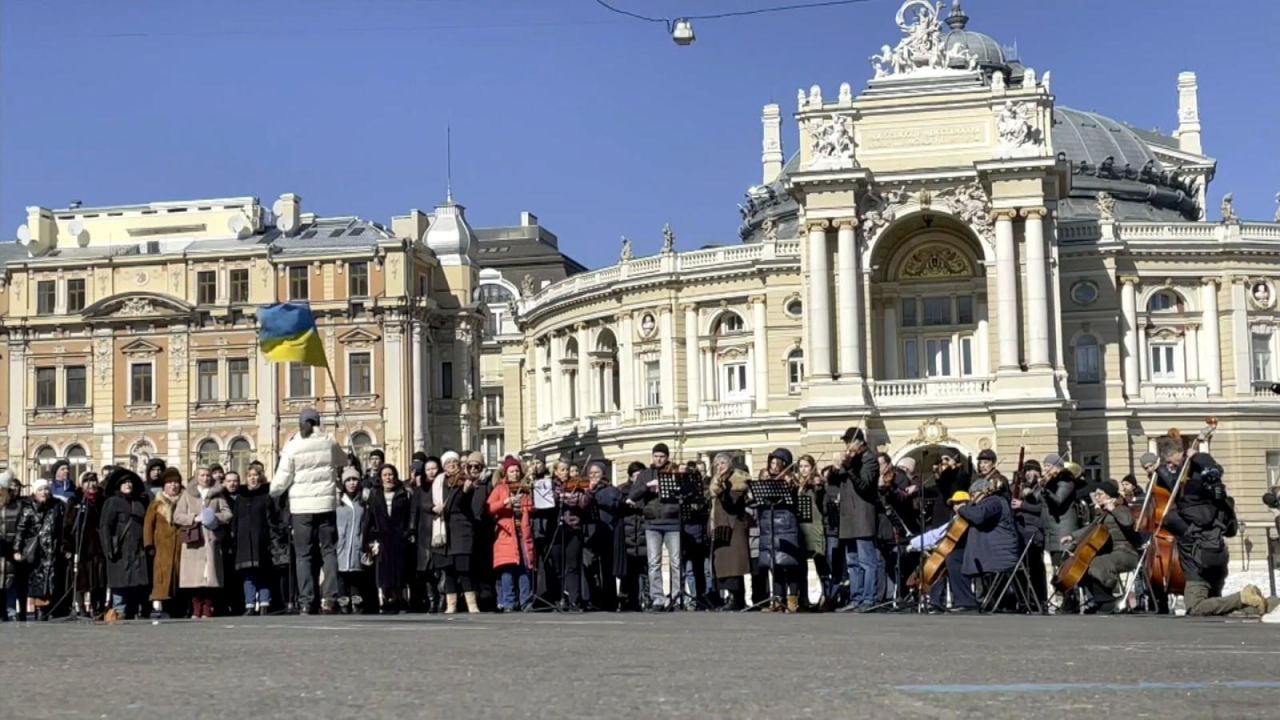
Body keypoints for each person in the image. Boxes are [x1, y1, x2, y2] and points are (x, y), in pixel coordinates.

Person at [1155, 438, 1269, 618]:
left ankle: (1243, 598)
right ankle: (1267, 604)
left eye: (1171, 461)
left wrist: (1163, 469)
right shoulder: (1219, 507)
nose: (1172, 466)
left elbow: (1176, 492)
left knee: (1195, 608)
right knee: (1216, 607)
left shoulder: (1185, 509)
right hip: (1218, 559)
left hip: (1198, 568)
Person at [271, 407, 346, 615]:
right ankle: (330, 598)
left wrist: (273, 491)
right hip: (326, 505)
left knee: (303, 555)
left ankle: (306, 600)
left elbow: (281, 481)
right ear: (318, 422)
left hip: (302, 508)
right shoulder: (329, 442)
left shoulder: (293, 446)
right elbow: (343, 460)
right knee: (329, 551)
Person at [1059, 480, 1140, 614]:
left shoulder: (1122, 508)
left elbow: (1127, 522)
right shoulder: (1102, 513)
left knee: (1097, 563)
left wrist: (1113, 509)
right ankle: (1103, 601)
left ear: (1109, 496)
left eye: (1100, 494)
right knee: (1082, 567)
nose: (1096, 497)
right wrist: (1072, 536)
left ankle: (1107, 602)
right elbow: (1091, 529)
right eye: (1096, 494)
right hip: (1109, 552)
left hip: (1125, 551)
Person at [948, 474, 1021, 613]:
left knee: (955, 559)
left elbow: (979, 517)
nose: (972, 499)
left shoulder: (994, 501)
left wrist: (962, 509)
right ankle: (964, 600)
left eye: (973, 494)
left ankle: (966, 602)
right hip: (988, 551)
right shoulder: (988, 503)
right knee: (954, 557)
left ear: (980, 493)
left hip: (998, 554)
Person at [829, 427, 882, 612]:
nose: (847, 446)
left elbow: (865, 486)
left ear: (860, 442)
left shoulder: (870, 460)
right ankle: (856, 597)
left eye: (850, 442)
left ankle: (869, 598)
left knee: (867, 561)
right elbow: (834, 482)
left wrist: (850, 467)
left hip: (862, 516)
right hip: (848, 518)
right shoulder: (851, 461)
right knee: (852, 562)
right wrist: (836, 469)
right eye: (845, 443)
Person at [174, 466, 233, 619]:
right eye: (202, 475)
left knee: (209, 576)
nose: (206, 478)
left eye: (208, 475)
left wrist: (215, 517)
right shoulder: (187, 495)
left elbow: (228, 514)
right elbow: (177, 516)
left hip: (211, 540)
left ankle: (207, 607)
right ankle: (196, 608)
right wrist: (194, 517)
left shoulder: (217, 495)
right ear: (196, 477)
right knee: (194, 578)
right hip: (194, 541)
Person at [630, 443, 682, 611]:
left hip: (672, 521)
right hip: (652, 522)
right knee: (654, 562)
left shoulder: (674, 472)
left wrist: (673, 487)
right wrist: (647, 486)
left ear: (667, 457)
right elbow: (633, 495)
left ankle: (676, 596)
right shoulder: (645, 474)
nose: (659, 459)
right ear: (652, 457)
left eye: (662, 456)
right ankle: (657, 598)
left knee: (675, 562)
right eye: (656, 456)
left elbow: (685, 493)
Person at [754, 448, 804, 613]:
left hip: (786, 526)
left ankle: (793, 599)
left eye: (777, 463)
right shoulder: (766, 481)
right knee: (773, 564)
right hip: (769, 527)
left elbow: (797, 498)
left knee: (790, 564)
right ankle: (777, 599)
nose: (774, 467)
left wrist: (790, 484)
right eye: (772, 462)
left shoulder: (790, 480)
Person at [437, 451, 484, 614]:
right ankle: (451, 605)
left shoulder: (465, 481)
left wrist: (466, 490)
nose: (452, 465)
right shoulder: (439, 483)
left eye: (454, 462)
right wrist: (433, 507)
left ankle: (472, 604)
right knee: (448, 569)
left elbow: (465, 502)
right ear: (443, 466)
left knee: (464, 568)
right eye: (448, 462)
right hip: (443, 529)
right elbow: (428, 502)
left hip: (461, 528)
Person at [363, 464, 414, 614]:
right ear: (380, 477)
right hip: (381, 539)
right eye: (385, 475)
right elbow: (369, 519)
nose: (388, 478)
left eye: (391, 474)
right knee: (383, 571)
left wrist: (408, 533)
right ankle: (386, 599)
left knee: (399, 571)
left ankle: (399, 599)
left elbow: (408, 516)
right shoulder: (375, 494)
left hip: (399, 538)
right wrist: (368, 541)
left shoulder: (403, 493)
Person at [100, 470, 150, 620]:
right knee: (120, 581)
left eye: (130, 482)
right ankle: (119, 610)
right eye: (124, 483)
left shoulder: (139, 502)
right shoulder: (112, 502)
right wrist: (108, 547)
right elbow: (105, 526)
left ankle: (133, 609)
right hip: (119, 549)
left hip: (137, 548)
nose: (128, 485)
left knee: (135, 581)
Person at [14, 479, 67, 620]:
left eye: (46, 489)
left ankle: (50, 609)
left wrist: (64, 546)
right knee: (37, 580)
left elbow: (63, 528)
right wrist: (17, 550)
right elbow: (21, 530)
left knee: (52, 580)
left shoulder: (56, 506)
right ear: (34, 492)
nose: (44, 492)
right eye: (41, 489)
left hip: (53, 550)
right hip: (36, 552)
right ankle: (40, 610)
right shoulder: (28, 509)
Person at [488, 456, 535, 612]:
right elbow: (490, 508)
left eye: (517, 471)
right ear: (505, 473)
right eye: (511, 471)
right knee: (507, 568)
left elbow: (532, 509)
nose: (515, 474)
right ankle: (509, 602)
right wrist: (505, 502)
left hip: (523, 531)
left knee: (524, 567)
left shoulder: (525, 488)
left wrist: (527, 503)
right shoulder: (500, 489)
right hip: (506, 534)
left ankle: (526, 601)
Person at [233, 466, 281, 615]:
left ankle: (265, 603)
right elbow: (235, 521)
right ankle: (249, 604)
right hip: (244, 542)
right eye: (250, 475)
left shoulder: (266, 497)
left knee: (263, 573)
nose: (252, 478)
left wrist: (272, 539)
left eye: (255, 475)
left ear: (260, 477)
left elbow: (271, 520)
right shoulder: (240, 498)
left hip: (262, 540)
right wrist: (235, 536)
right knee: (248, 575)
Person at [600, 461, 647, 611]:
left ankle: (643, 599)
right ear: (631, 477)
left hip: (641, 533)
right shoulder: (622, 491)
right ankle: (626, 599)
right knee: (627, 570)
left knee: (643, 569)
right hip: (626, 534)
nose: (639, 479)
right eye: (636, 476)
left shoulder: (647, 492)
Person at [549, 460, 593, 612]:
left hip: (574, 529)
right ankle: (560, 599)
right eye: (562, 469)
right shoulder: (550, 486)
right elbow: (550, 501)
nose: (565, 472)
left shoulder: (576, 486)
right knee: (557, 566)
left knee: (572, 566)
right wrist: (563, 497)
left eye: (567, 469)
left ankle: (575, 600)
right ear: (555, 472)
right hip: (555, 529)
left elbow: (583, 504)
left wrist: (589, 492)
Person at [709, 453, 751, 610]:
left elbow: (732, 503)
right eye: (717, 464)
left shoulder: (737, 481)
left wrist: (723, 489)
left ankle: (736, 598)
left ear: (730, 465)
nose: (719, 467)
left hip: (733, 526)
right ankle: (729, 596)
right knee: (722, 564)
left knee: (734, 565)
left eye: (723, 463)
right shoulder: (715, 482)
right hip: (720, 526)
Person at [1040, 453, 1082, 611]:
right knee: (1056, 565)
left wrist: (1046, 490)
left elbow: (1058, 501)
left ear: (1056, 467)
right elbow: (1037, 498)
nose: (1045, 469)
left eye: (1047, 466)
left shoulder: (1066, 480)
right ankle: (1064, 598)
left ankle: (1070, 599)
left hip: (1063, 529)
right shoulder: (1050, 482)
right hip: (1051, 530)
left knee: (1065, 566)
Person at [63, 471, 108, 617]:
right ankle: (81, 607)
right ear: (81, 484)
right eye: (87, 481)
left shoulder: (103, 500)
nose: (91, 484)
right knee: (81, 578)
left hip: (98, 545)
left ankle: (97, 607)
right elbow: (68, 525)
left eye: (94, 480)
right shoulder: (75, 500)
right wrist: (67, 545)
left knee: (98, 577)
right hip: (80, 545)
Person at [144, 468, 184, 618]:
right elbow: (148, 525)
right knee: (161, 576)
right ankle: (159, 606)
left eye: (176, 482)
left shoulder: (184, 502)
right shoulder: (156, 504)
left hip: (181, 546)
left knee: (179, 576)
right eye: (169, 482)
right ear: (164, 486)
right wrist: (149, 545)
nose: (173, 486)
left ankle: (178, 605)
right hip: (162, 547)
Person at [1012, 460, 1048, 608]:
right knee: (1021, 566)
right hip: (1021, 529)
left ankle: (1040, 598)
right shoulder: (1021, 486)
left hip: (1035, 530)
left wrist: (1023, 504)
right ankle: (1024, 598)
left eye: (1032, 470)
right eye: (1026, 471)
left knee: (1035, 565)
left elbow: (1043, 508)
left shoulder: (1042, 487)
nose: (1028, 474)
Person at [584, 461, 618, 611]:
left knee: (607, 567)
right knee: (590, 567)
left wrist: (594, 495)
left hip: (606, 531)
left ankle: (610, 601)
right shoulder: (586, 489)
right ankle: (593, 599)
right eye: (591, 473)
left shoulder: (610, 489)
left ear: (603, 474)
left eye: (596, 473)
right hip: (590, 532)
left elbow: (613, 503)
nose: (593, 476)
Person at [335, 467, 370, 614]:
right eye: (348, 480)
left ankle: (356, 601)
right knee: (342, 574)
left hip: (357, 543)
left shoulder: (363, 500)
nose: (351, 483)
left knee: (356, 574)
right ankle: (343, 601)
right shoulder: (338, 501)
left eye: (354, 479)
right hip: (341, 544)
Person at [0, 472, 22, 621]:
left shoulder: (17, 506)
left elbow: (21, 529)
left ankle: (11, 612)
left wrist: (17, 549)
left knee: (10, 584)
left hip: (12, 553)